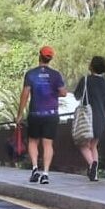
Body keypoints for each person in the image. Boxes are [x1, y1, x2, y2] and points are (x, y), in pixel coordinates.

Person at [15, 46, 67, 185]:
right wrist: (53, 91)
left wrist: (19, 114)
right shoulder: (56, 75)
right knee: (48, 144)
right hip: (51, 114)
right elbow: (63, 92)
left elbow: (25, 95)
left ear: (40, 56)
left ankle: (34, 169)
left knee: (33, 141)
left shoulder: (31, 74)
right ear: (50, 59)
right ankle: (45, 174)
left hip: (35, 113)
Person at [73, 56, 105, 181]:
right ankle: (95, 174)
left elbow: (77, 96)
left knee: (82, 144)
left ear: (91, 67)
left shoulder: (85, 80)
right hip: (100, 118)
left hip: (87, 116)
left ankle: (92, 164)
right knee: (93, 146)